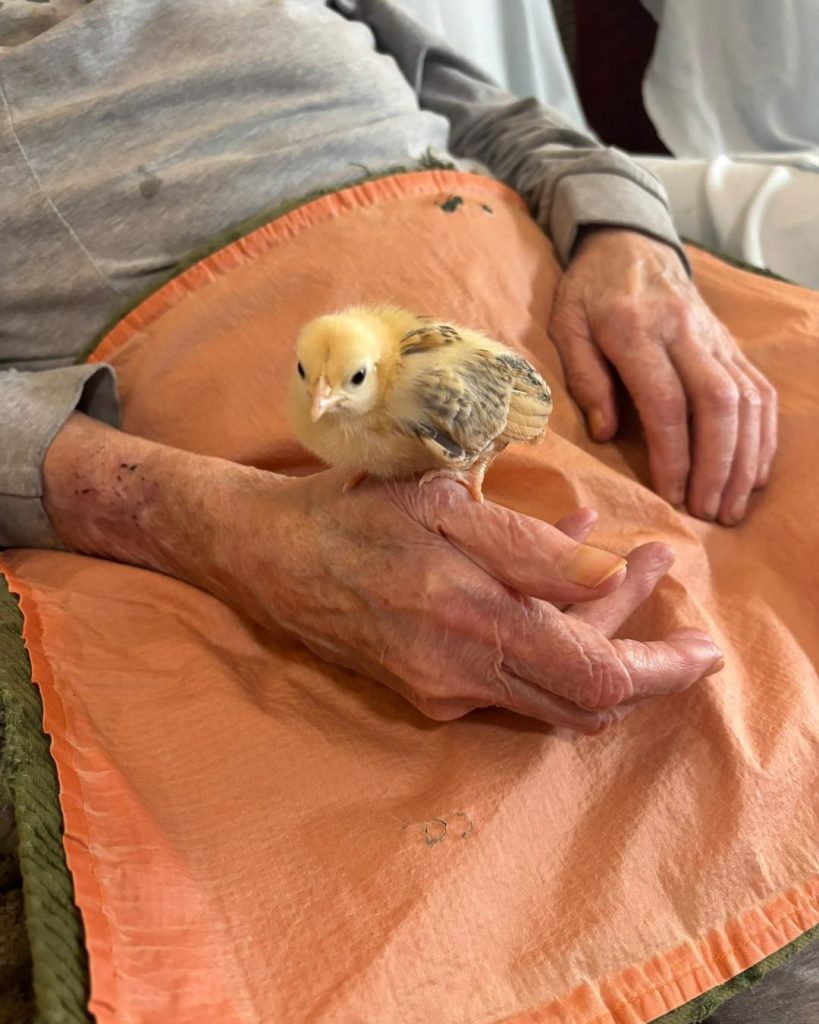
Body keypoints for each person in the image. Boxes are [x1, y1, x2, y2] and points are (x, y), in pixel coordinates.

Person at [1, 2, 813, 1021]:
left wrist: (626, 233)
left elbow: (493, 116)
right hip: (219, 437)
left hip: (542, 303)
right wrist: (203, 521)